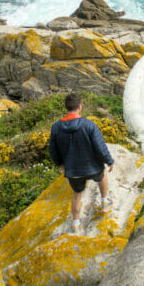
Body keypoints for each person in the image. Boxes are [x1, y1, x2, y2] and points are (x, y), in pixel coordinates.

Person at [49, 92, 114, 233]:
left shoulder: (56, 127)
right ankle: (104, 204)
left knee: (77, 194)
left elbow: (53, 150)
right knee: (102, 174)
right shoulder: (89, 125)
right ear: (80, 106)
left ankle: (76, 224)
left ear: (67, 107)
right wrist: (109, 161)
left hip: (73, 170)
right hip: (93, 167)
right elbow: (100, 146)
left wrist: (60, 164)